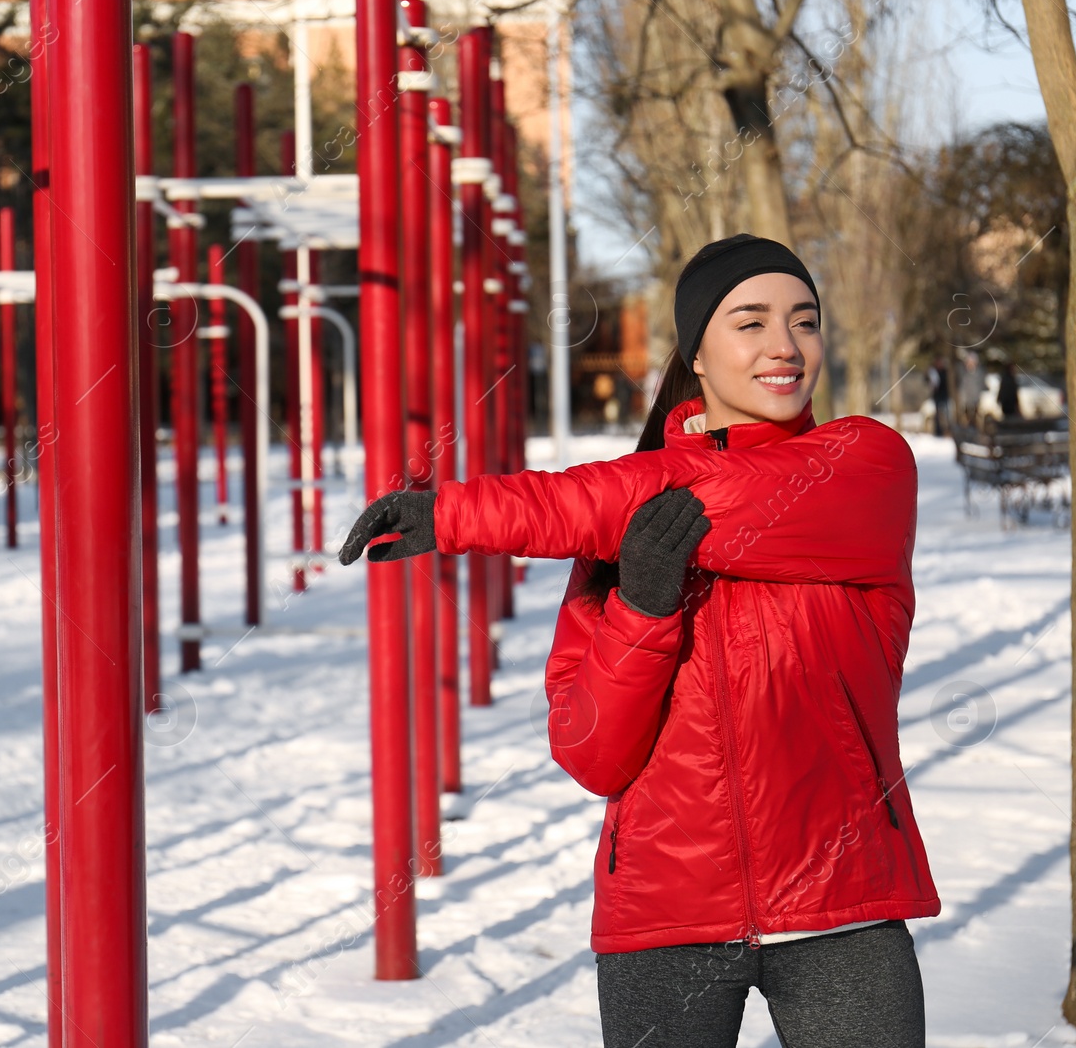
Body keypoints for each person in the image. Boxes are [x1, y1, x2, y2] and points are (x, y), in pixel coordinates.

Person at [340, 234, 937, 1047]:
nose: (785, 347)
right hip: (664, 912)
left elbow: (694, 492)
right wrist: (644, 613)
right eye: (751, 322)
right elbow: (594, 755)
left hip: (844, 902)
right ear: (696, 352)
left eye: (804, 320)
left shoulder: (864, 467)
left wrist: (456, 514)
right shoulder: (619, 537)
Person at [926, 356, 951, 436]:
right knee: (937, 414)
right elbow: (928, 381)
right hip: (936, 396)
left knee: (946, 414)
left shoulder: (945, 372)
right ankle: (938, 431)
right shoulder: (933, 372)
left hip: (944, 396)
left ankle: (946, 430)